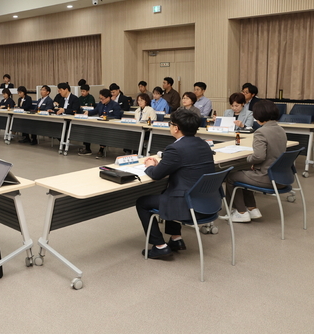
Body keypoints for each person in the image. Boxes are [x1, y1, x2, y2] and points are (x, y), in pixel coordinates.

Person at [135, 109, 215, 259]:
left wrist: (150, 166)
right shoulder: (203, 144)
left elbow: (156, 175)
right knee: (170, 191)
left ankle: (159, 246)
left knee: (142, 202)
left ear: (176, 128)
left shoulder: (176, 148)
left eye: (170, 124)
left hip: (188, 204)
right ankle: (176, 238)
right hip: (207, 202)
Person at [222, 100, 287, 223]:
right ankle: (252, 208)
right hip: (282, 177)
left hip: (267, 178)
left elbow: (258, 157)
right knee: (244, 173)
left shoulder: (261, 132)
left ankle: (241, 212)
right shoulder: (281, 130)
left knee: (231, 176)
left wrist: (247, 160)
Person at [79, 89, 122, 157]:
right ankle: (87, 148)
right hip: (100, 124)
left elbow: (117, 116)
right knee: (87, 129)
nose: (101, 100)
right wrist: (88, 112)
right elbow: (95, 111)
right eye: (100, 98)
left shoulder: (115, 105)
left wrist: (107, 117)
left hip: (110, 126)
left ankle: (101, 150)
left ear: (108, 98)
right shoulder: (100, 104)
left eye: (103, 99)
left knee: (103, 131)